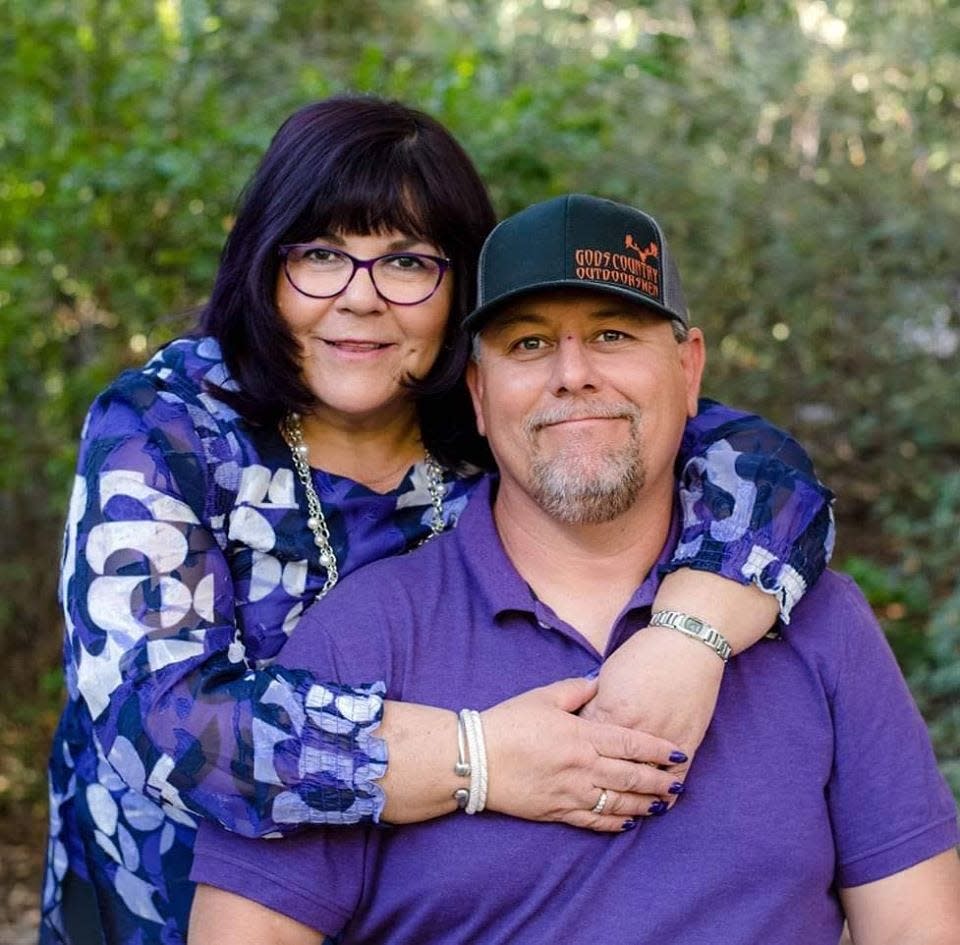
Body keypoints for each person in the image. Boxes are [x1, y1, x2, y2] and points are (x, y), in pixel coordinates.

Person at [42, 98, 835, 945]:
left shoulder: (496, 419)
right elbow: (159, 720)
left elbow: (763, 468)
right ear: (264, 266)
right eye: (319, 256)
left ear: (463, 288)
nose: (360, 299)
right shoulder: (166, 428)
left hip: (421, 904)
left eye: (408, 263)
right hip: (162, 902)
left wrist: (688, 638)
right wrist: (480, 759)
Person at [188, 194, 960, 945]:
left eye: (614, 335)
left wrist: (690, 636)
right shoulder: (365, 635)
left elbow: (919, 924)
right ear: (479, 395)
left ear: (689, 371)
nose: (573, 374)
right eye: (528, 343)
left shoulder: (819, 620)